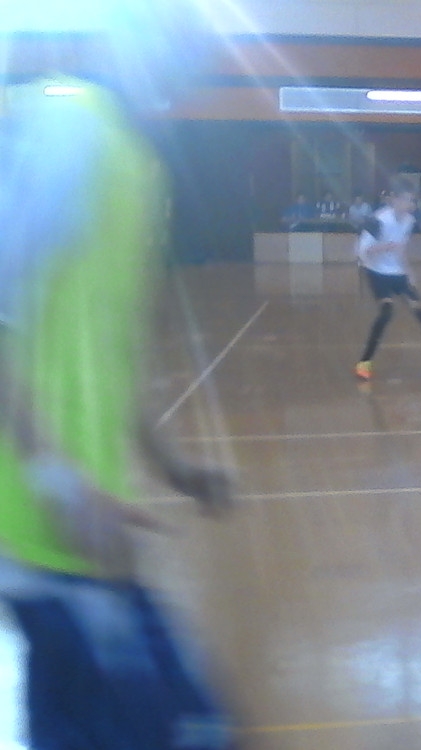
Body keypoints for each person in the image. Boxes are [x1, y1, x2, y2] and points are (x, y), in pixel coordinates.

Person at [0, 2, 240, 747]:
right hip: (37, 528)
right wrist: (57, 481)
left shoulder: (140, 165)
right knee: (187, 729)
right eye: (177, 29)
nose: (194, 50)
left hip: (88, 531)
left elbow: (108, 348)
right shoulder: (68, 126)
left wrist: (172, 467)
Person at [354, 175, 421, 381]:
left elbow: (401, 249)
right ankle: (364, 361)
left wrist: (409, 272)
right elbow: (361, 251)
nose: (410, 204)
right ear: (394, 199)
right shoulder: (378, 220)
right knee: (387, 312)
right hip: (376, 272)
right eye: (406, 199)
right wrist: (384, 247)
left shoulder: (409, 221)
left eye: (412, 200)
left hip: (398, 273)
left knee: (420, 310)